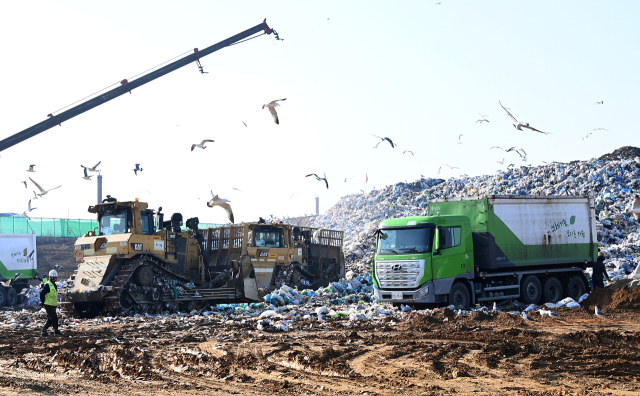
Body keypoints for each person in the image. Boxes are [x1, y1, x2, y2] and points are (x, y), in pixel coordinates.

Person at [40, 269, 63, 337]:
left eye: (55, 278)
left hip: (53, 305)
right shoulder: (47, 285)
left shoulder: (54, 285)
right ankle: (56, 331)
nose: (54, 279)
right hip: (48, 305)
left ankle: (44, 331)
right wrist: (43, 302)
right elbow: (42, 293)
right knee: (54, 318)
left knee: (50, 319)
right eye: (53, 278)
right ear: (50, 277)